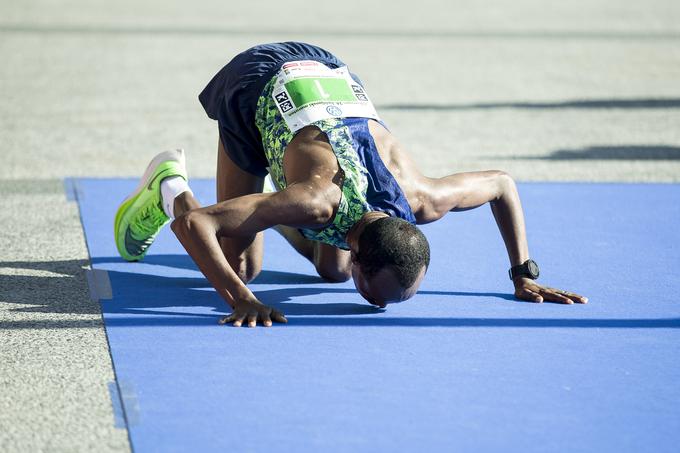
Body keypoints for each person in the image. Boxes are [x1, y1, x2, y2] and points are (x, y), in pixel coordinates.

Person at [114, 42, 587, 328]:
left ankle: (268, 211)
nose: (377, 306)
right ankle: (168, 183)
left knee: (332, 273)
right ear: (363, 251)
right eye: (376, 295)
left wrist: (523, 274)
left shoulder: (422, 198)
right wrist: (243, 300)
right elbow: (195, 226)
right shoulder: (318, 200)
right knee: (243, 266)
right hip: (257, 84)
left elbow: (502, 184)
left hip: (325, 77)